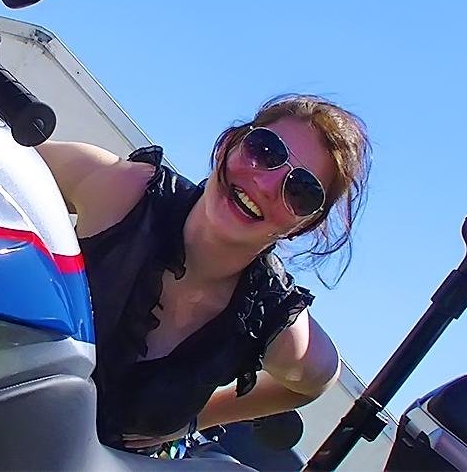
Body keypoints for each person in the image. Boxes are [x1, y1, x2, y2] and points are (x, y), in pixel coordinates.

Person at [36, 94, 371, 452]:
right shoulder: (122, 192)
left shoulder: (268, 320)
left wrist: (198, 419)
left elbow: (317, 380)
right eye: (265, 150)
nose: (265, 185)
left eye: (301, 191)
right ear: (230, 144)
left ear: (302, 226)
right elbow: (3, 155)